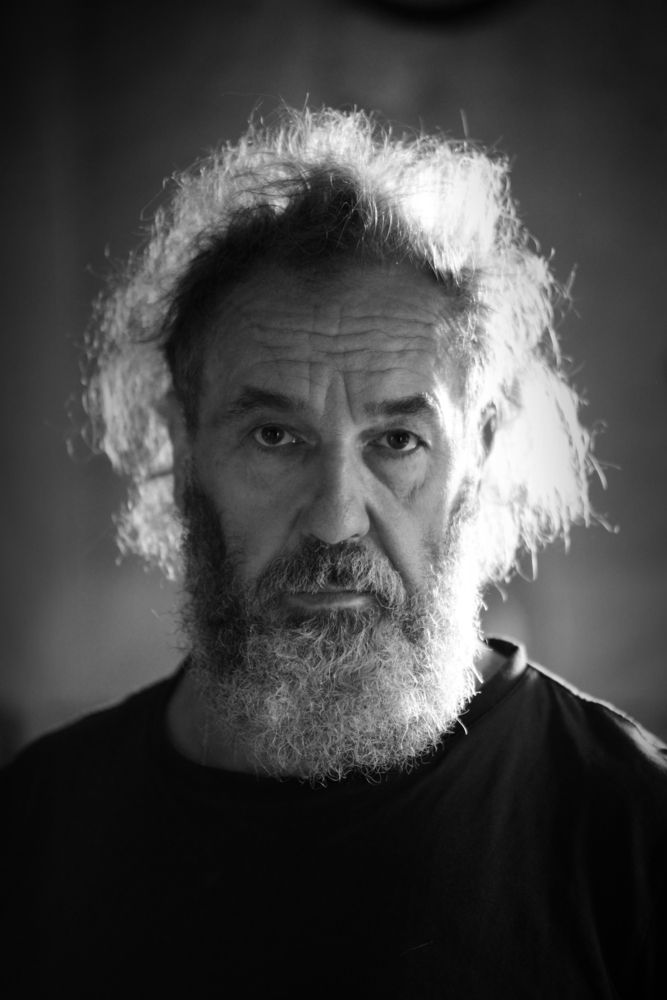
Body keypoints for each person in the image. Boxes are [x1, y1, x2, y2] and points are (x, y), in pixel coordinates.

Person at [2, 105, 665, 998]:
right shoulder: (38, 822)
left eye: (397, 441)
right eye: (275, 436)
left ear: (480, 452)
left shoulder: (634, 828)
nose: (336, 520)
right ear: (183, 443)